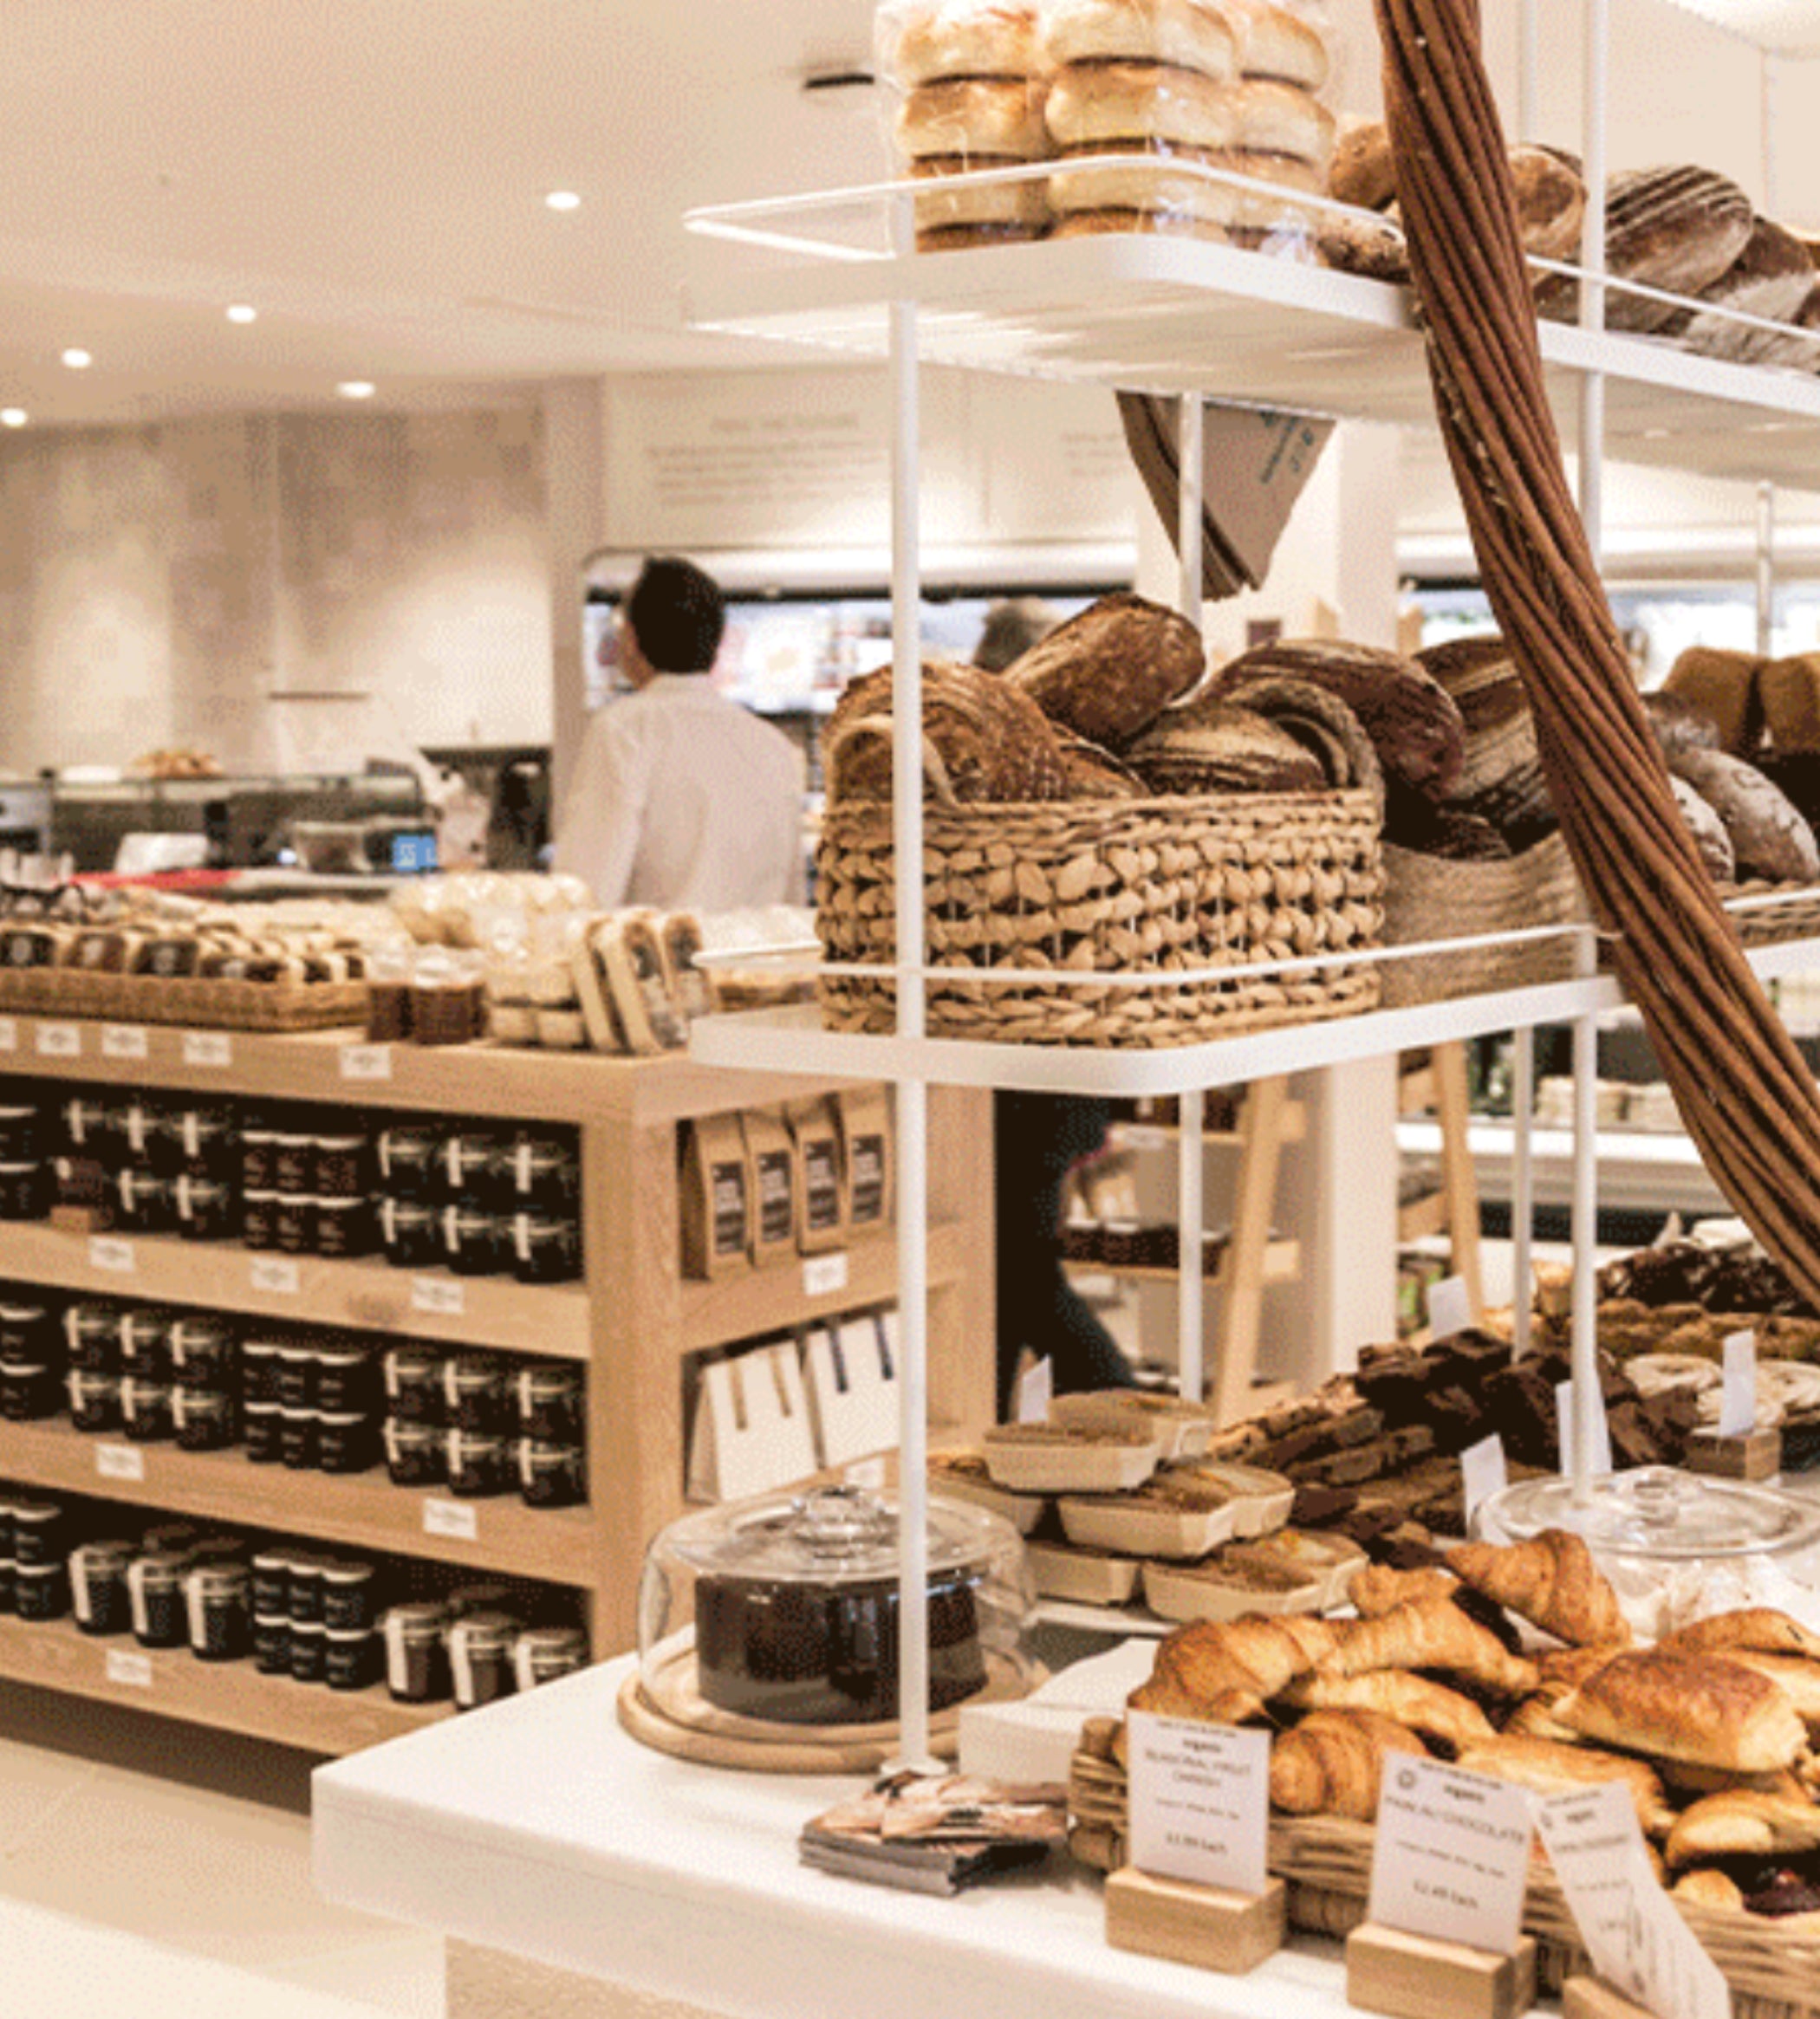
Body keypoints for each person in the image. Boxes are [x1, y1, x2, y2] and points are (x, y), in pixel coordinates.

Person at [973, 598, 1138, 1415]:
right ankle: (991, 1431)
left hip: (1023, 1088)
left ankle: (1126, 1407)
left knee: (1018, 1276)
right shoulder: (1081, 784)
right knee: (1009, 1276)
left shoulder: (1017, 798)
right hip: (1061, 1082)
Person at [553, 556, 806, 911]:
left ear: (630, 639)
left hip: (660, 946)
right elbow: (793, 899)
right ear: (718, 643)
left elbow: (586, 889)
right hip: (761, 947)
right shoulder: (773, 745)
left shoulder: (625, 729)